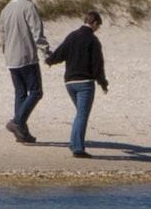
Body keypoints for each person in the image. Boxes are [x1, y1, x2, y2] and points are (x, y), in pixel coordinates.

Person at [46, 10, 109, 157]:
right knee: (82, 115)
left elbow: (60, 53)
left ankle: (74, 144)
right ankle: (78, 148)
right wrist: (103, 83)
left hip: (69, 82)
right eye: (98, 25)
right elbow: (97, 65)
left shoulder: (72, 36)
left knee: (80, 114)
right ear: (94, 23)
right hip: (85, 83)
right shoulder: (93, 41)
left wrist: (50, 60)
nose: (98, 29)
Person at [0, 0, 51, 144]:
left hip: (11, 57)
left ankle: (22, 133)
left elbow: (2, 34)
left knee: (20, 93)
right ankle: (17, 122)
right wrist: (46, 52)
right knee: (36, 92)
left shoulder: (6, 8)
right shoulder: (28, 6)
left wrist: (6, 52)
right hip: (26, 56)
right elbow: (37, 32)